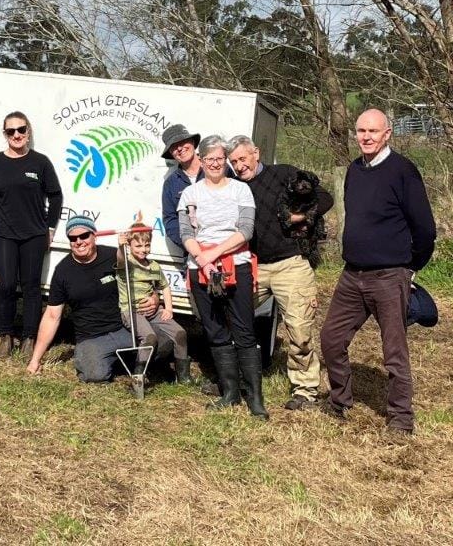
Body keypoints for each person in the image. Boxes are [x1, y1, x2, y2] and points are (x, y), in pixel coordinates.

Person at [320, 109, 436, 434]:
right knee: (331, 338)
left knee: (393, 352)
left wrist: (410, 268)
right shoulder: (355, 170)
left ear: (387, 134)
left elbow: (425, 229)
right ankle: (340, 401)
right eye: (361, 131)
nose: (366, 136)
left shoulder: (403, 171)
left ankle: (401, 419)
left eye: (373, 131)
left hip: (389, 276)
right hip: (351, 274)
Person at [226, 134, 333, 410]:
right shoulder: (234, 186)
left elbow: (324, 197)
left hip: (291, 263)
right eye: (234, 161)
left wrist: (301, 217)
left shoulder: (284, 174)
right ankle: (234, 376)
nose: (239, 166)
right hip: (252, 264)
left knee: (299, 328)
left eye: (243, 158)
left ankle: (305, 390)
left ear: (256, 153)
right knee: (233, 316)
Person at [177, 135, 267, 419]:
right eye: (209, 159)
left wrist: (211, 255)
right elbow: (186, 234)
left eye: (220, 159)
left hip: (234, 264)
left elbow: (246, 231)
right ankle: (229, 392)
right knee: (214, 330)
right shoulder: (190, 194)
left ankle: (254, 396)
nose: (215, 164)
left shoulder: (241, 191)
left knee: (244, 329)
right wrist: (202, 261)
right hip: (200, 269)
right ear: (201, 161)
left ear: (225, 161)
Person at [0, 111, 62, 359]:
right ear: (4, 134)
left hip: (34, 235)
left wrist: (49, 228)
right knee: (5, 286)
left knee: (31, 288)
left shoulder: (41, 162)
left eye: (21, 130)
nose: (16, 135)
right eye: (10, 131)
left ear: (29, 132)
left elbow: (55, 195)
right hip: (3, 233)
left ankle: (28, 337)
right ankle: (5, 337)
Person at [26, 216, 133, 382]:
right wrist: (35, 360)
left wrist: (154, 298)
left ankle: (120, 359)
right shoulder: (63, 271)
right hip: (91, 337)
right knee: (95, 375)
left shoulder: (114, 256)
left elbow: (141, 282)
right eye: (73, 238)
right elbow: (52, 315)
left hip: (123, 329)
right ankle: (109, 360)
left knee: (162, 346)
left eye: (84, 236)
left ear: (94, 236)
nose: (79, 241)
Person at [116, 221, 191, 383]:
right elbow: (120, 259)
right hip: (132, 310)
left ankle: (183, 375)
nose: (143, 250)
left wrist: (169, 309)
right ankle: (138, 375)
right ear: (129, 245)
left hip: (153, 310)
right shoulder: (127, 264)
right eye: (138, 246)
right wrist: (120, 247)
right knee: (150, 337)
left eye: (147, 245)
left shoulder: (154, 266)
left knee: (180, 333)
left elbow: (164, 287)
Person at [160, 124, 203, 250]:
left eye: (183, 142)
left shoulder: (215, 168)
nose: (179, 148)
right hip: (192, 255)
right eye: (173, 147)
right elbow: (170, 221)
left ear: (193, 142)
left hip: (224, 249)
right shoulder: (170, 183)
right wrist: (191, 243)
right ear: (171, 154)